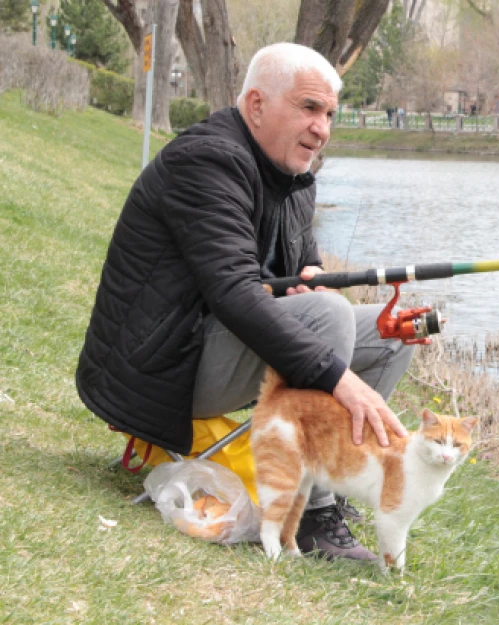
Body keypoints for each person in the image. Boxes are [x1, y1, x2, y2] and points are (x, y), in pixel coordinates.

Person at [75, 42, 415, 562]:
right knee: (327, 319)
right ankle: (312, 518)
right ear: (256, 105)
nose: (321, 127)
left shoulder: (296, 175)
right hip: (158, 368)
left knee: (392, 337)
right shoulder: (208, 160)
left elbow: (297, 273)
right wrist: (337, 376)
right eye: (308, 107)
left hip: (209, 346)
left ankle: (333, 487)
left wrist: (314, 279)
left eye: (328, 113)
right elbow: (234, 293)